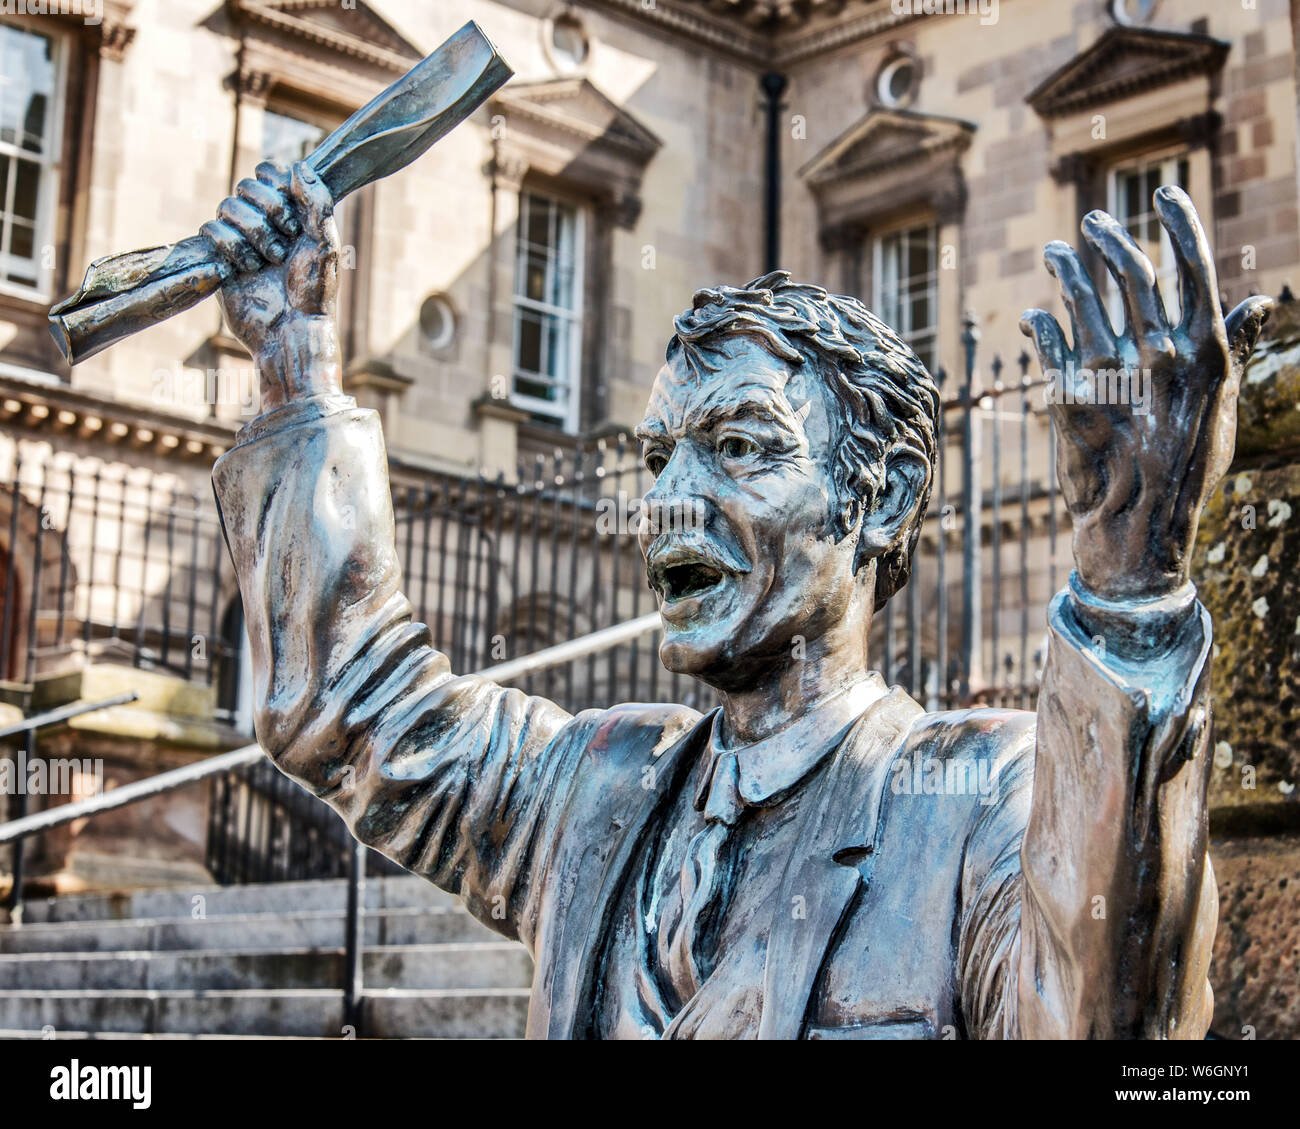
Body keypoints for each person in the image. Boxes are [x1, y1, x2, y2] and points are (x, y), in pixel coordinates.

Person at [204, 158, 1270, 1038]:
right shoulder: (591, 789)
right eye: (661, 456)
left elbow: (1104, 1026)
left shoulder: (978, 797)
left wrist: (1131, 597)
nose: (669, 500)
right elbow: (354, 708)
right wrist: (297, 368)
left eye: (739, 447)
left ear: (882, 492)